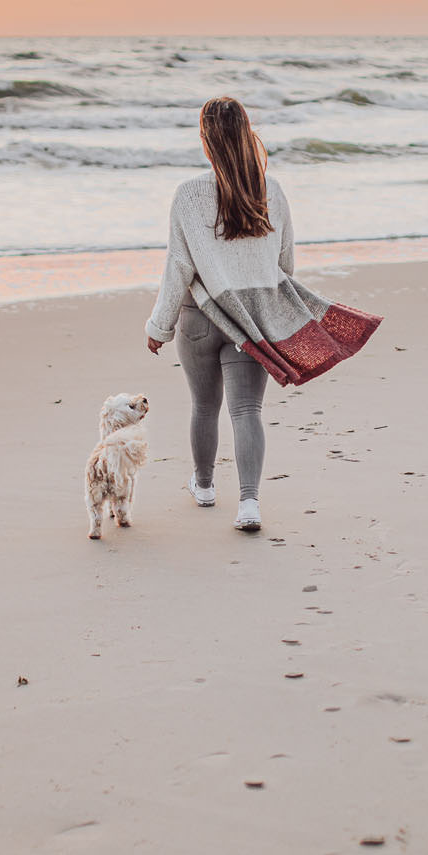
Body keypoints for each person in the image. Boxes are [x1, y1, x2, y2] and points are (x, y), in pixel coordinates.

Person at [145, 97, 380, 533]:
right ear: (246, 133)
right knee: (246, 410)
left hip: (198, 318)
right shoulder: (271, 191)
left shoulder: (188, 194)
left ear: (206, 140)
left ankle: (205, 485)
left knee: (203, 406)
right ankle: (249, 504)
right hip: (251, 320)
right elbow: (286, 263)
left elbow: (178, 267)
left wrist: (160, 326)